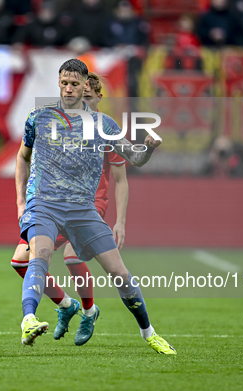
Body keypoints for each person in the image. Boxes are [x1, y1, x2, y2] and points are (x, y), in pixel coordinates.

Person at [16, 59, 176, 354]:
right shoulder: (39, 117)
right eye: (63, 83)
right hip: (45, 204)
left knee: (119, 272)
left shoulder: (103, 125)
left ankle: (149, 333)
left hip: (82, 209)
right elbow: (22, 156)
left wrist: (150, 147)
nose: (68, 89)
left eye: (74, 84)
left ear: (85, 85)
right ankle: (29, 319)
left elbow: (135, 158)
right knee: (38, 256)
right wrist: (21, 200)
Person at [10, 72, 129, 346]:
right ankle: (66, 305)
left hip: (90, 204)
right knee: (19, 261)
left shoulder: (105, 131)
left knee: (72, 257)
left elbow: (121, 179)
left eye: (88, 96)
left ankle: (88, 312)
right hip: (56, 203)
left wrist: (120, 221)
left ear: (99, 98)